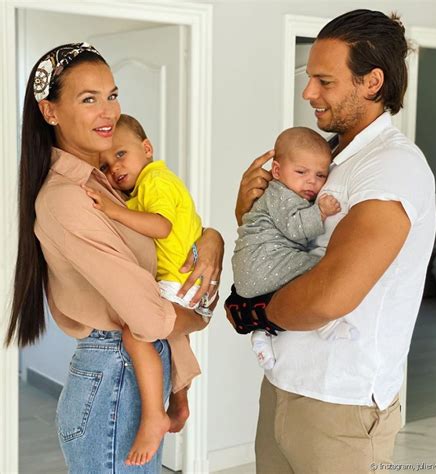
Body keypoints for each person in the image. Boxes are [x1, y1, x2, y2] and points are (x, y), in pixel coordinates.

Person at [226, 10, 436, 474]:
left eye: (324, 80)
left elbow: (331, 296)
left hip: (342, 404)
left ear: (372, 82)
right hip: (283, 384)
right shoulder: (329, 160)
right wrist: (249, 218)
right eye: (309, 79)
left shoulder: (392, 168)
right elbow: (287, 248)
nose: (308, 93)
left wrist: (251, 310)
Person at [6, 43, 223, 473]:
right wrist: (201, 315)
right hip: (116, 376)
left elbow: (168, 231)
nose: (107, 111)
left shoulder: (105, 182)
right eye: (89, 99)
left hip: (127, 372)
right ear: (50, 113)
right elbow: (147, 320)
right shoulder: (68, 199)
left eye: (112, 94)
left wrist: (211, 239)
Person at [83, 113, 217, 465]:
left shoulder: (155, 181)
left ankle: (153, 415)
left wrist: (113, 211)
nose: (115, 168)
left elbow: (159, 226)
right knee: (172, 339)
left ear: (147, 148)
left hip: (181, 285)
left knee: (136, 333)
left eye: (121, 154)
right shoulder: (143, 188)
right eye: (107, 164)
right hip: (186, 290)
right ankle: (180, 402)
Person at [232, 127, 357, 370]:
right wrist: (319, 212)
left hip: (253, 275)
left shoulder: (284, 191)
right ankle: (327, 323)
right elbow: (295, 227)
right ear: (276, 170)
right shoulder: (280, 193)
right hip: (264, 262)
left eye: (321, 175)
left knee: (285, 290)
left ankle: (262, 334)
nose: (311, 181)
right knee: (322, 268)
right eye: (301, 172)